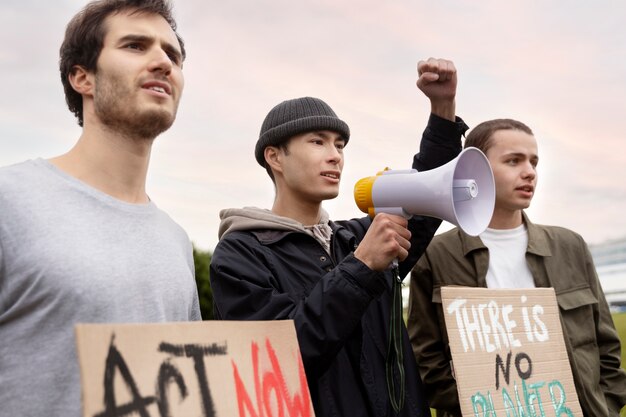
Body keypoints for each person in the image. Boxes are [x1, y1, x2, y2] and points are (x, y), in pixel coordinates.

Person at [209, 58, 468, 417]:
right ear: (274, 157)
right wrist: (362, 266)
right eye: (318, 142)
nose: (335, 157)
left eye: (340, 145)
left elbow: (426, 190)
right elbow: (279, 361)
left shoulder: (357, 236)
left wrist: (442, 109)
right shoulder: (240, 254)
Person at [0, 1, 200, 415]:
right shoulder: (9, 199)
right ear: (82, 77)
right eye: (135, 45)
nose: (162, 62)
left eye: (173, 54)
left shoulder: (175, 240)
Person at [407, 118, 626, 416]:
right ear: (476, 169)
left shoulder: (570, 246)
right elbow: (424, 361)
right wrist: (481, 405)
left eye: (534, 162)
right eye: (514, 161)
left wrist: (605, 408)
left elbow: (608, 351)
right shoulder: (436, 254)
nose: (529, 172)